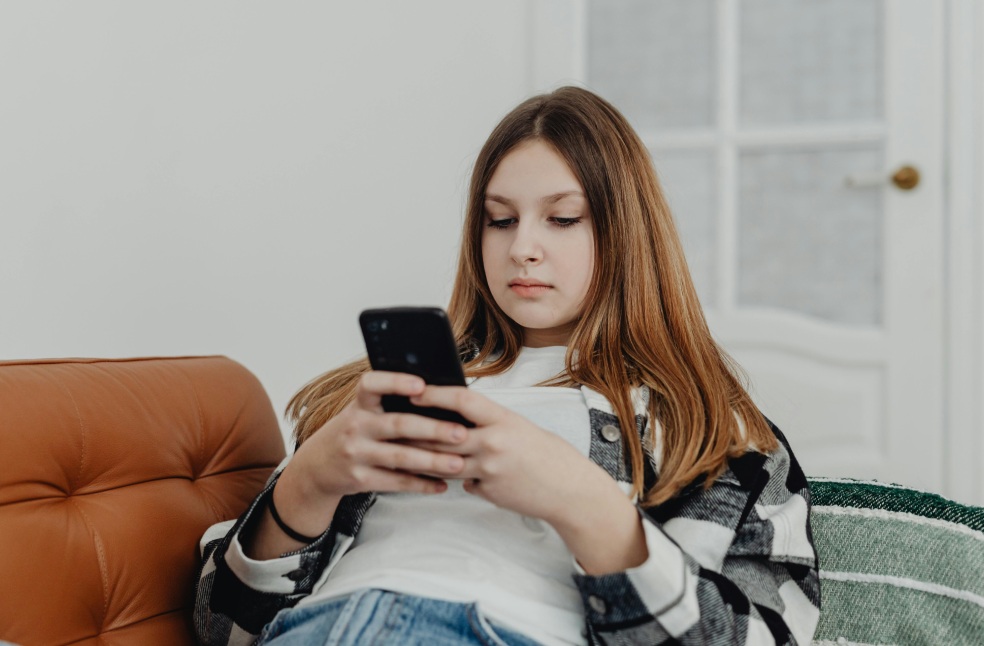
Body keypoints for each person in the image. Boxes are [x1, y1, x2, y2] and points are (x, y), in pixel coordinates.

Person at [194, 86, 820, 645]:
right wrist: (310, 482)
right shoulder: (377, 395)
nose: (522, 247)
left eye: (562, 218)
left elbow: (760, 631)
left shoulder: (711, 427)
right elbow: (220, 628)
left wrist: (584, 504)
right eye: (499, 220)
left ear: (629, 233)